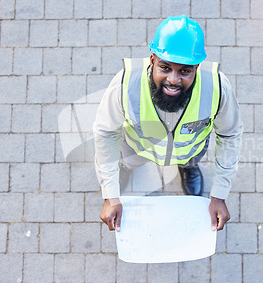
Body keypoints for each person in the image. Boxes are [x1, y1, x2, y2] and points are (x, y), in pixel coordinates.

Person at [93, 15, 243, 232]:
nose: (173, 79)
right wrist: (110, 195)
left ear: (197, 67)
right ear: (152, 59)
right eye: (165, 67)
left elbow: (230, 135)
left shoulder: (217, 87)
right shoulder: (125, 84)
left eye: (185, 71)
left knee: (190, 162)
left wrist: (219, 194)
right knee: (124, 165)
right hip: (137, 150)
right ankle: (122, 173)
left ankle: (188, 170)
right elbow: (105, 134)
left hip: (189, 150)